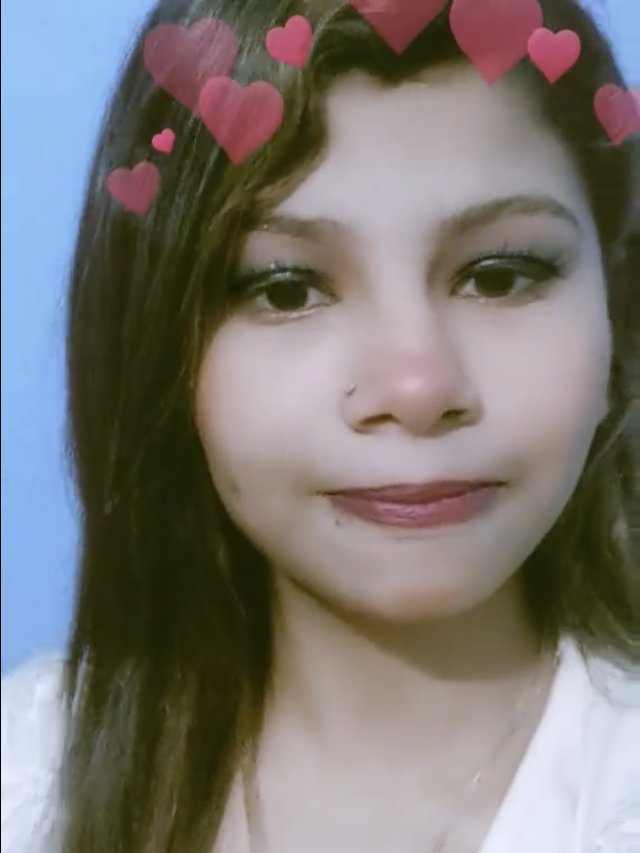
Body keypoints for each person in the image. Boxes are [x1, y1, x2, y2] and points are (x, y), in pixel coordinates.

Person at [1, 0, 639, 851]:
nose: (417, 387)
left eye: (498, 276)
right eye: (288, 289)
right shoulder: (27, 778)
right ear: (158, 344)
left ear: (617, 309)